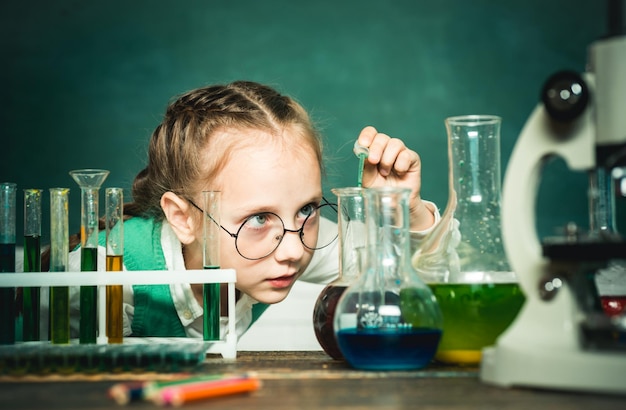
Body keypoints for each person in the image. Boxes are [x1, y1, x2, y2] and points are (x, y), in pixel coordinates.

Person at [52, 81, 439, 340]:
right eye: (258, 218)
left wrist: (406, 211)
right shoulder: (104, 277)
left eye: (306, 208)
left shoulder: (295, 241)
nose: (292, 250)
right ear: (183, 218)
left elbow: (419, 275)